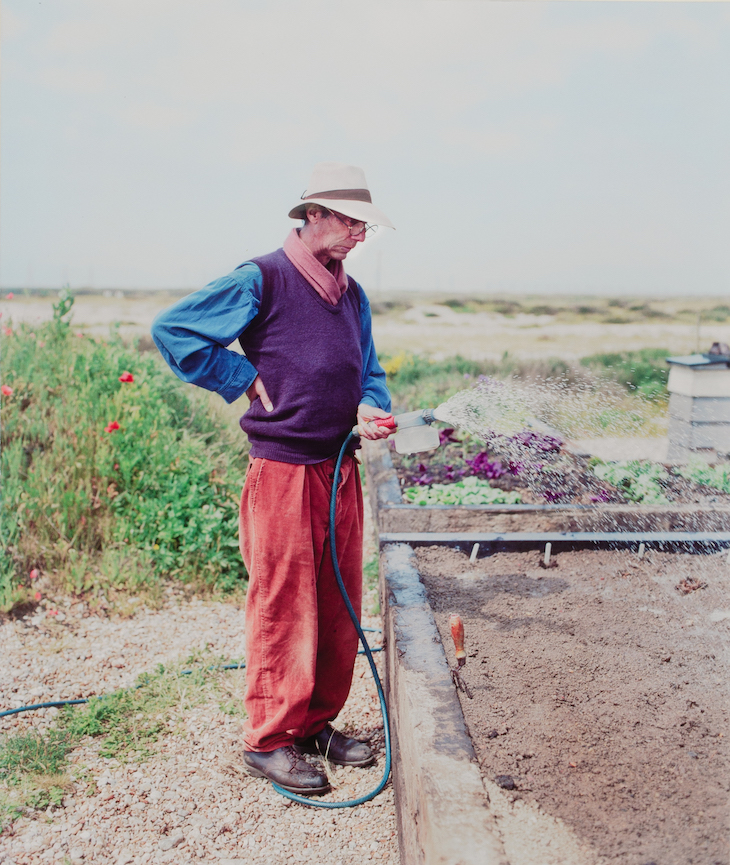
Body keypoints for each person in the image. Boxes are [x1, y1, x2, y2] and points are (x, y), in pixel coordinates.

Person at [151, 162, 394, 795]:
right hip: (284, 470)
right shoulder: (262, 278)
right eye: (349, 220)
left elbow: (368, 368)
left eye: (364, 224)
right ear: (312, 214)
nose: (359, 233)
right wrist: (238, 379)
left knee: (337, 600)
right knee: (285, 603)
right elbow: (173, 331)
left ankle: (314, 724)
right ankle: (268, 739)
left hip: (337, 466)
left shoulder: (353, 294)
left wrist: (368, 405)